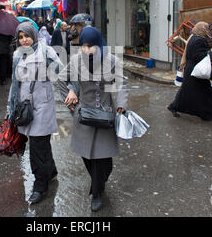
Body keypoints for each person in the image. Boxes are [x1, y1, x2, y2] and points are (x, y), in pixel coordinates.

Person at [58, 26, 128, 212]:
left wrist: (121, 104)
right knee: (87, 155)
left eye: (90, 46)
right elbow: (61, 78)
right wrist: (72, 94)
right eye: (83, 46)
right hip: (85, 115)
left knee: (103, 159)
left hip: (105, 115)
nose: (86, 50)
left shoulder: (111, 60)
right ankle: (98, 184)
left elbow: (121, 84)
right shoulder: (76, 60)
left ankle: (97, 191)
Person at [7, 22, 62, 204]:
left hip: (43, 106)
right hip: (24, 108)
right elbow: (15, 84)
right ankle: (51, 172)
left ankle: (40, 186)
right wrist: (11, 107)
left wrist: (71, 91)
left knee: (38, 146)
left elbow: (60, 73)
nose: (24, 40)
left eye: (27, 36)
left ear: (34, 35)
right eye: (20, 37)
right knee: (40, 144)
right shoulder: (17, 55)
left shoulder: (46, 51)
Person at [167, 22, 212, 121]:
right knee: (205, 93)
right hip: (196, 71)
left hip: (191, 70)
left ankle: (174, 107)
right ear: (202, 29)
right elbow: (198, 56)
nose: (208, 30)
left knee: (187, 92)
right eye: (206, 28)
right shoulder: (199, 40)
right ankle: (208, 115)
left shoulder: (193, 38)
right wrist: (210, 52)